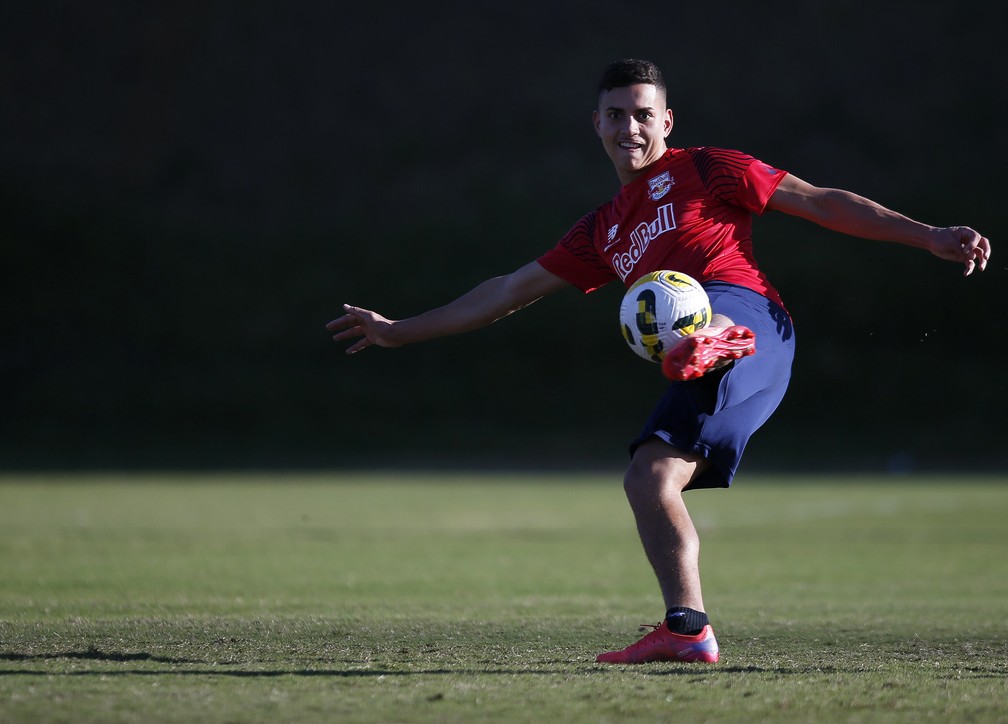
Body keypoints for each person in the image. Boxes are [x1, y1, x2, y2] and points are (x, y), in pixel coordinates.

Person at [327, 59, 990, 664]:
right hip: (705, 360)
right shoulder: (602, 230)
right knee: (648, 478)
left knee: (706, 312)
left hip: (755, 320)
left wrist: (927, 234)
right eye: (616, 114)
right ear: (597, 124)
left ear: (666, 121)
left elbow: (817, 200)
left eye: (644, 113)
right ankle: (687, 628)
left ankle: (711, 337)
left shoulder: (706, 168)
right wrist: (398, 331)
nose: (630, 126)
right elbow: (505, 292)